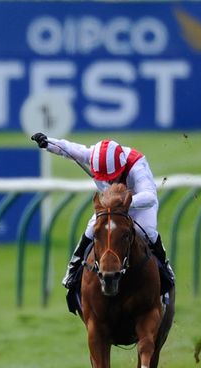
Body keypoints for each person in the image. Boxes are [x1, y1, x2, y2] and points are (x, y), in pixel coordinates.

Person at [31, 133, 175, 313]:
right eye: (104, 177)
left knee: (147, 230)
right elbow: (70, 150)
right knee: (91, 230)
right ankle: (73, 270)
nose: (107, 180)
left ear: (121, 166)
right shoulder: (94, 157)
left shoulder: (137, 165)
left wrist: (124, 202)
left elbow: (150, 197)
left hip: (138, 205)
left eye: (112, 176)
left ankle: (166, 274)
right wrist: (48, 143)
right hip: (110, 206)